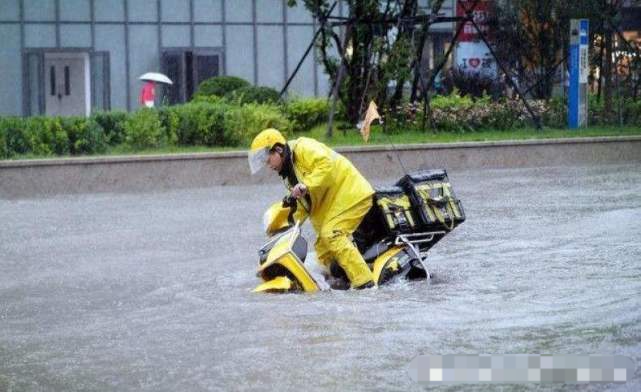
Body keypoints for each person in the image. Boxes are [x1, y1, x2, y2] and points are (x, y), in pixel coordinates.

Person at [248, 128, 376, 289]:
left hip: (352, 193)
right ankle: (337, 282)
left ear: (279, 149)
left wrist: (305, 185)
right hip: (335, 202)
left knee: (332, 235)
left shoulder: (303, 147)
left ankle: (365, 284)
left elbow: (326, 165)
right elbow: (304, 204)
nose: (268, 165)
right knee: (322, 252)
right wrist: (286, 225)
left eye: (268, 160)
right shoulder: (288, 175)